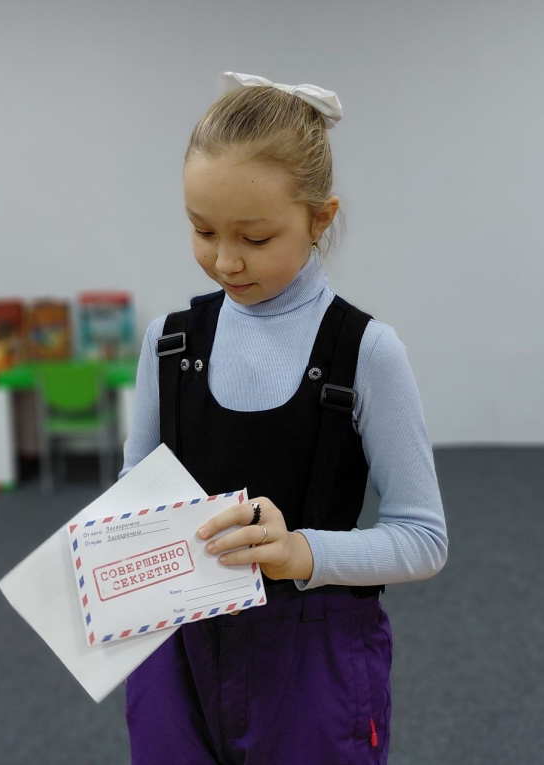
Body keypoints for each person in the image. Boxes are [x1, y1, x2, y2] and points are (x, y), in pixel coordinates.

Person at [119, 71, 448, 765]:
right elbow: (131, 502)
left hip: (311, 658)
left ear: (320, 219)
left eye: (256, 237)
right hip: (177, 649)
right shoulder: (168, 343)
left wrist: (303, 551)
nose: (225, 260)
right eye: (202, 230)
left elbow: (423, 538)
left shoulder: (367, 352)